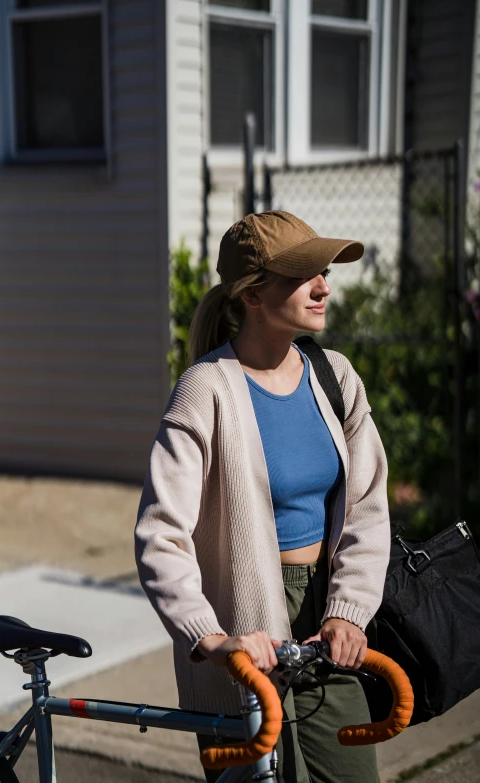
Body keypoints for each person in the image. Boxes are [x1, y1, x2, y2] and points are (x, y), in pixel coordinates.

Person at [135, 211, 390, 782]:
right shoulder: (204, 391)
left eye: (324, 272)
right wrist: (213, 639)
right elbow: (160, 536)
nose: (324, 286)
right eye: (304, 276)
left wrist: (349, 611)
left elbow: (368, 506)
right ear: (252, 294)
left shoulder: (335, 377)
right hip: (243, 629)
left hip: (327, 619)